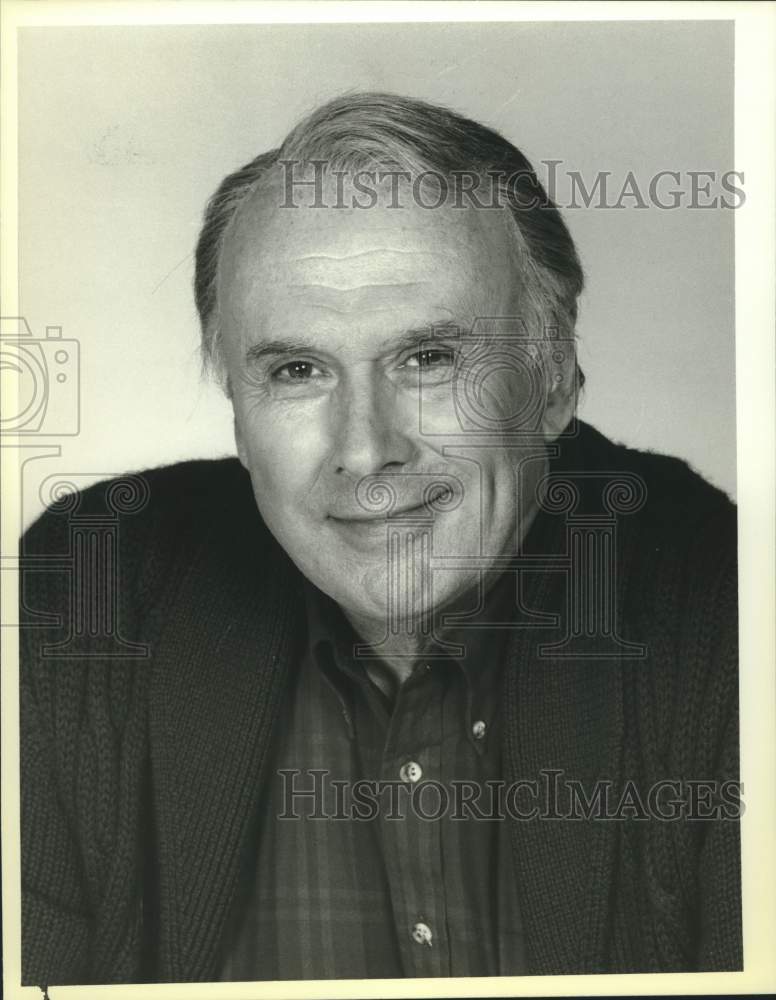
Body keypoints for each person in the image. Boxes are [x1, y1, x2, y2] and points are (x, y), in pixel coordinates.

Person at [19, 93, 741, 985]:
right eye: (297, 370)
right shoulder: (87, 594)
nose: (366, 449)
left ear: (553, 384)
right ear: (239, 417)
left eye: (429, 358)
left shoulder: (725, 607)